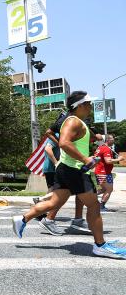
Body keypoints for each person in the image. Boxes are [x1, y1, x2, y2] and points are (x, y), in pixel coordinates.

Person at [12, 91, 126, 259]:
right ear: (79, 106)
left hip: (66, 169)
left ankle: (22, 219)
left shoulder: (76, 122)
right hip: (75, 170)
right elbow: (64, 143)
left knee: (54, 202)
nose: (90, 107)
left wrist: (93, 144)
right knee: (94, 205)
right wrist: (85, 158)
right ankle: (100, 245)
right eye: (87, 104)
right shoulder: (73, 122)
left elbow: (77, 142)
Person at [94, 134, 124, 212]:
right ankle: (101, 206)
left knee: (103, 189)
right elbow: (108, 161)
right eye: (112, 139)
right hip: (104, 173)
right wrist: (119, 159)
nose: (113, 140)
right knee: (109, 189)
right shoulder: (106, 149)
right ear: (108, 140)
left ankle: (88, 196)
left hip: (101, 172)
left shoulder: (100, 148)